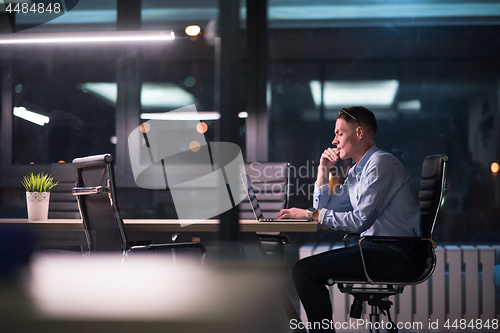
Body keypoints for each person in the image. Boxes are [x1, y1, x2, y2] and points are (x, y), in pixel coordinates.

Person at [277, 106, 421, 332]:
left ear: (360, 133)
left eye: (339, 133)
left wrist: (309, 214)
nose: (334, 140)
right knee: (303, 270)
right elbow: (324, 212)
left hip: (396, 253)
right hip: (377, 249)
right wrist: (323, 171)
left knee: (305, 271)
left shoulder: (381, 164)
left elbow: (358, 221)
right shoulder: (357, 172)